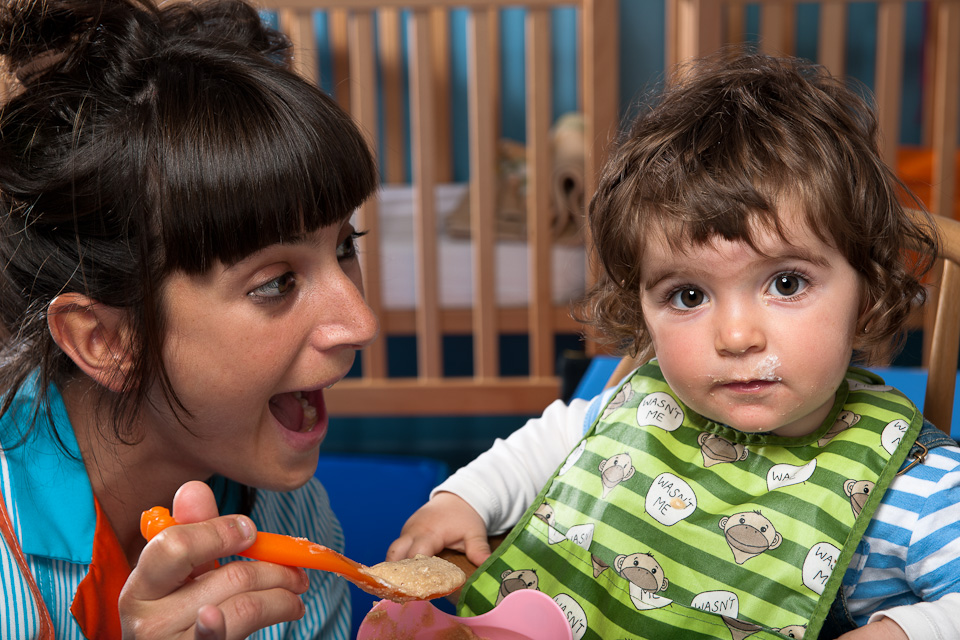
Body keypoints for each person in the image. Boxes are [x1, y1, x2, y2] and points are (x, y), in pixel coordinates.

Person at [387, 50, 960, 640]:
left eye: (787, 284)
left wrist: (901, 630)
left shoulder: (913, 489)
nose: (735, 336)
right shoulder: (645, 410)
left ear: (866, 295)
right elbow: (549, 444)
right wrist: (464, 499)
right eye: (689, 295)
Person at [0, 0, 379, 637]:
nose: (361, 322)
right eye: (276, 282)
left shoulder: (287, 513)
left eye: (346, 246)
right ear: (107, 341)